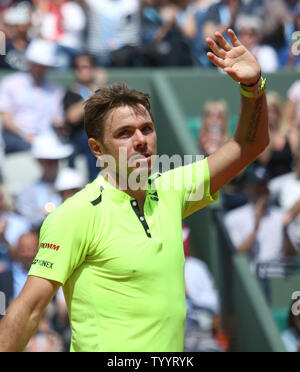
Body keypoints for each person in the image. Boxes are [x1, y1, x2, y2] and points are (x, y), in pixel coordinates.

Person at [0, 29, 270, 352]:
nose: (141, 140)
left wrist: (252, 87)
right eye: (125, 133)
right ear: (97, 149)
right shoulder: (75, 214)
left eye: (147, 129)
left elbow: (249, 144)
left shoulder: (172, 190)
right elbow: (28, 309)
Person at [0, 38, 65, 153]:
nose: (40, 69)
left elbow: (57, 119)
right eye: (37, 64)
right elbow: (6, 119)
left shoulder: (56, 90)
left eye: (43, 65)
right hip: (17, 137)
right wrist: (25, 135)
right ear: (29, 62)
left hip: (46, 138)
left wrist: (55, 133)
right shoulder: (10, 83)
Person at [224, 166, 285, 269]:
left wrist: (286, 229)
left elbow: (292, 254)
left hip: (278, 278)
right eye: (257, 186)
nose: (262, 190)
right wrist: (256, 226)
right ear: (247, 188)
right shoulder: (233, 217)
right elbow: (239, 254)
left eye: (264, 185)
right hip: (251, 278)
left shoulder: (281, 216)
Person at [63, 53, 107, 181]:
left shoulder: (104, 92)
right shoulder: (72, 93)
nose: (82, 71)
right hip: (80, 139)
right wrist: (95, 91)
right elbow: (72, 116)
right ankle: (95, 181)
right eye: (78, 67)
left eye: (86, 67)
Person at [16, 133, 73, 229]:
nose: (54, 164)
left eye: (56, 160)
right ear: (40, 161)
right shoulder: (28, 191)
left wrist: (45, 212)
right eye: (49, 161)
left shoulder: (71, 184)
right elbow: (30, 220)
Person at [256, 91, 297, 179]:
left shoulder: (290, 132)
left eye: (274, 111)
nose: (271, 115)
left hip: (288, 179)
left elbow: (296, 157)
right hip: (264, 181)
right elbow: (264, 159)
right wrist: (269, 130)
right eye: (268, 111)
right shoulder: (259, 134)